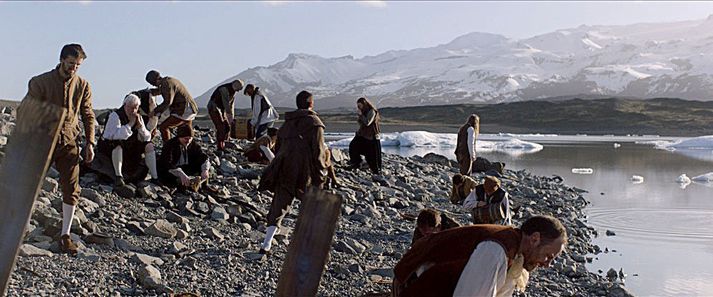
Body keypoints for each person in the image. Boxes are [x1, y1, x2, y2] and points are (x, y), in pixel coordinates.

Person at [22, 44, 95, 255]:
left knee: (72, 188)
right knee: (30, 184)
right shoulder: (40, 82)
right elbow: (27, 111)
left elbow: (88, 114)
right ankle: (19, 229)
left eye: (78, 65)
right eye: (71, 64)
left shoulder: (83, 85)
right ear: (62, 60)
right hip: (42, 142)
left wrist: (90, 142)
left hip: (69, 141)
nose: (74, 68)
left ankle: (65, 235)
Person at [393, 215, 568, 297]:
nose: (547, 264)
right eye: (548, 256)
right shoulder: (496, 250)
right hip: (413, 287)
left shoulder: (515, 251)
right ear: (535, 239)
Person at [257, 90, 327, 255]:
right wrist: (321, 174)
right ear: (311, 104)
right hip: (305, 170)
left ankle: (266, 244)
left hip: (285, 168)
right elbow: (318, 152)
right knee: (310, 206)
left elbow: (279, 148)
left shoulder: (287, 123)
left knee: (279, 205)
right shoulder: (315, 123)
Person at [97, 94, 159, 186]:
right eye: (131, 107)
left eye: (136, 108)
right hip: (110, 147)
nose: (133, 110)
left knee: (149, 145)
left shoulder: (138, 117)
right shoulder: (115, 116)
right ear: (125, 105)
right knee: (118, 144)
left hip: (129, 147)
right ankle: (119, 176)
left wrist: (141, 127)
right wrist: (130, 124)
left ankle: (155, 177)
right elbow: (114, 136)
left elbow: (147, 137)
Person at [145, 70, 198, 143]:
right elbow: (161, 91)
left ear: (155, 80)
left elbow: (167, 102)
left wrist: (154, 111)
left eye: (152, 83)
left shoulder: (166, 84)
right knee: (185, 132)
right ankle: (186, 150)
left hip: (183, 109)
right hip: (190, 108)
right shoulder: (168, 81)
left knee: (164, 127)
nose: (153, 85)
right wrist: (151, 92)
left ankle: (168, 148)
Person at [157, 125, 211, 192]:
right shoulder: (170, 145)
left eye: (190, 138)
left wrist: (205, 170)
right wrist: (180, 173)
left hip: (186, 169)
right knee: (172, 178)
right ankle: (187, 186)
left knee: (204, 167)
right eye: (186, 138)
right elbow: (167, 164)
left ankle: (204, 186)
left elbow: (203, 157)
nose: (188, 141)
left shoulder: (193, 145)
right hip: (171, 171)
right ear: (179, 137)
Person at [348, 97, 382, 174]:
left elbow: (367, 122)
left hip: (371, 136)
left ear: (364, 104)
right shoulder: (364, 112)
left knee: (372, 155)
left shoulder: (371, 111)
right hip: (363, 135)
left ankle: (375, 170)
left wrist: (361, 115)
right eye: (358, 106)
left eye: (360, 106)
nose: (359, 108)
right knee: (353, 147)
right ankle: (357, 163)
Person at [207, 79, 244, 151]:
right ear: (235, 85)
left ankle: (225, 143)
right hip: (214, 108)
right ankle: (220, 146)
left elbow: (231, 106)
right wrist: (229, 116)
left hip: (221, 110)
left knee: (227, 127)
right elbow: (226, 104)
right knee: (221, 127)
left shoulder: (233, 93)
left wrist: (231, 118)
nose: (238, 91)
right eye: (239, 89)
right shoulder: (224, 89)